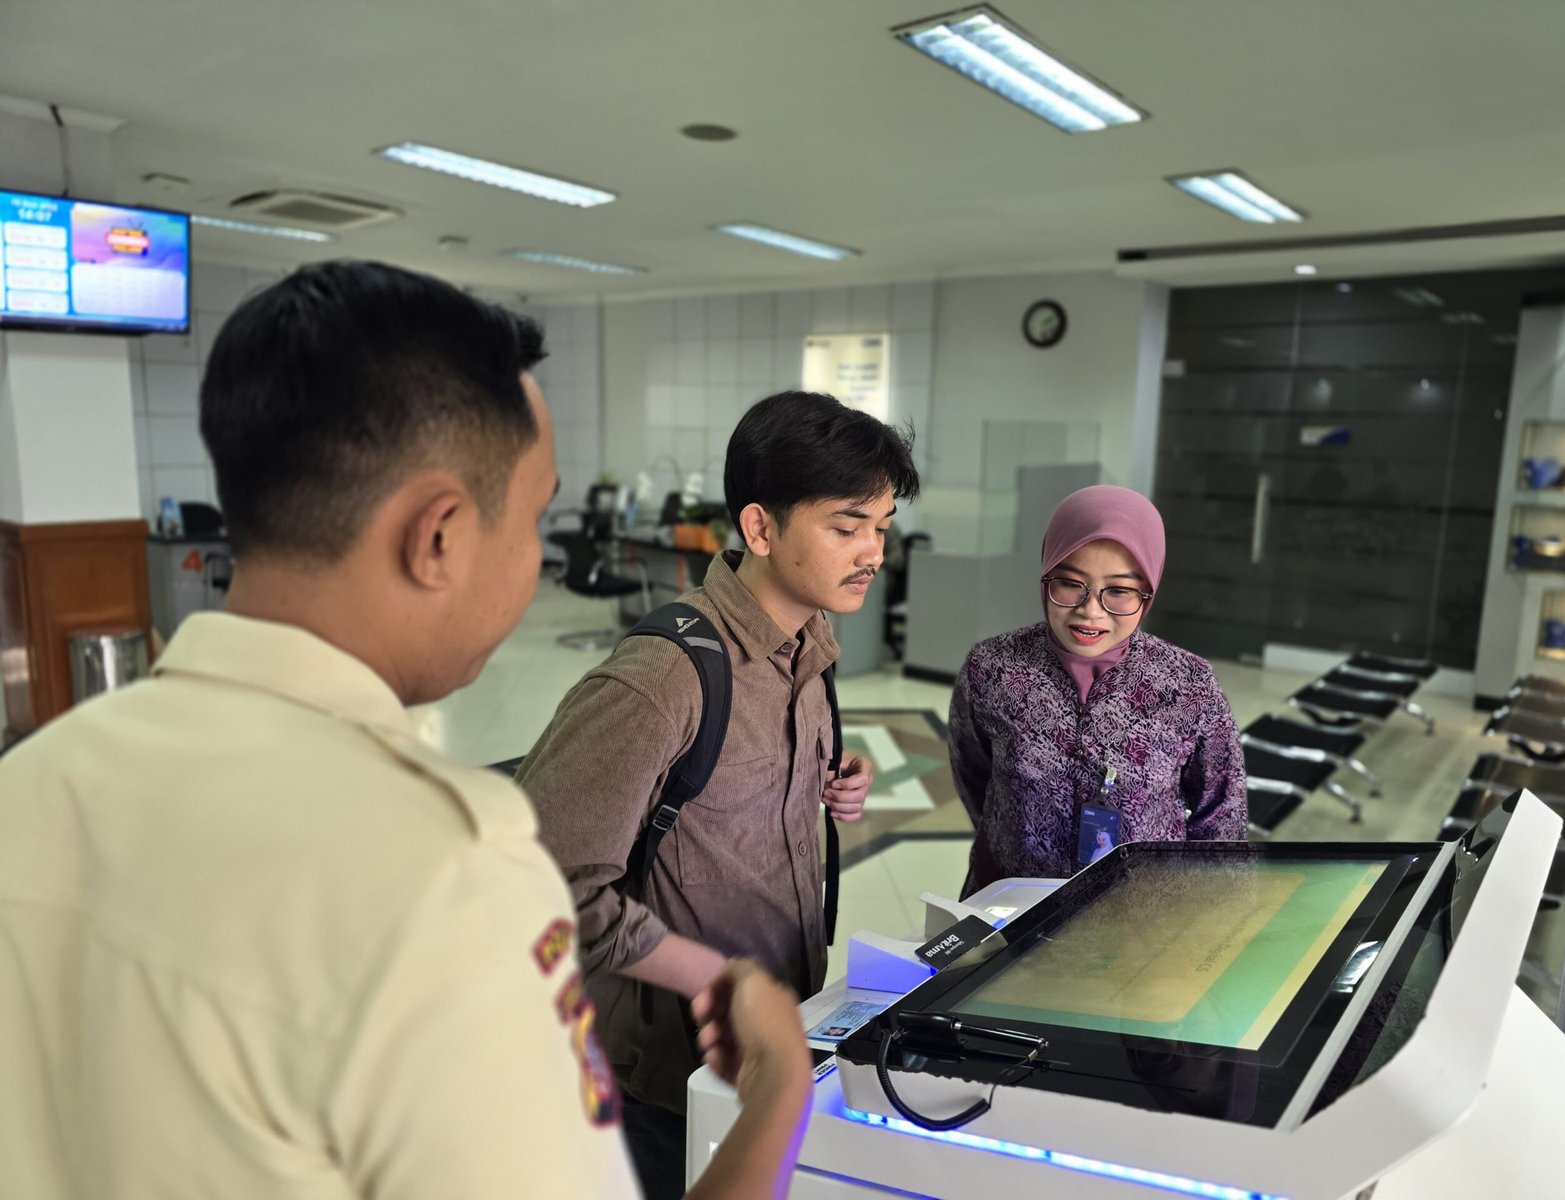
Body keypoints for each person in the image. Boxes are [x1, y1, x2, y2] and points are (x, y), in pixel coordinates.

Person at [0, 261, 812, 1200]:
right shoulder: (452, 872)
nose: (534, 555)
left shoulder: (33, 777)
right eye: (533, 517)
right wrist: (777, 1092)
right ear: (439, 536)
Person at [517, 390, 920, 1200]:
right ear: (760, 528)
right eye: (847, 527)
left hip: (775, 1041)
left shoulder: (808, 645)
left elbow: (731, 790)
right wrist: (718, 978)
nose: (873, 552)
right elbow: (541, 887)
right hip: (663, 1082)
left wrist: (828, 780)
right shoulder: (663, 677)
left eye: (881, 527)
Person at [948, 484, 1246, 897]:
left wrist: (1199, 914)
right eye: (1071, 583)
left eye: (1119, 590)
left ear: (1148, 589)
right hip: (1011, 900)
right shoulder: (993, 669)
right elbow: (974, 778)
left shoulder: (1188, 684)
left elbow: (1222, 816)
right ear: (1046, 576)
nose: (1090, 611)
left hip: (1141, 910)